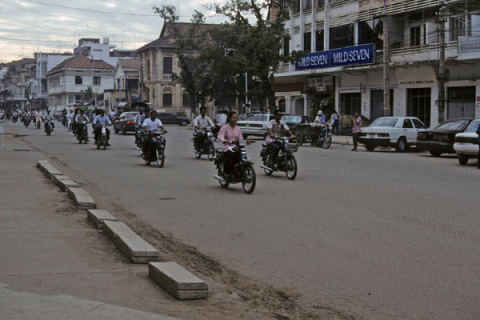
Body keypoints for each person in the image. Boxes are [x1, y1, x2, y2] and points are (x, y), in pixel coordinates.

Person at [217, 111, 243, 178]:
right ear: (229, 118)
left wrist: (241, 143)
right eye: (234, 118)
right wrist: (225, 140)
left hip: (235, 147)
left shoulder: (238, 129)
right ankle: (227, 173)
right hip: (227, 147)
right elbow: (220, 137)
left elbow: (241, 138)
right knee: (230, 156)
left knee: (242, 156)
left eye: (236, 118)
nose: (235, 119)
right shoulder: (224, 128)